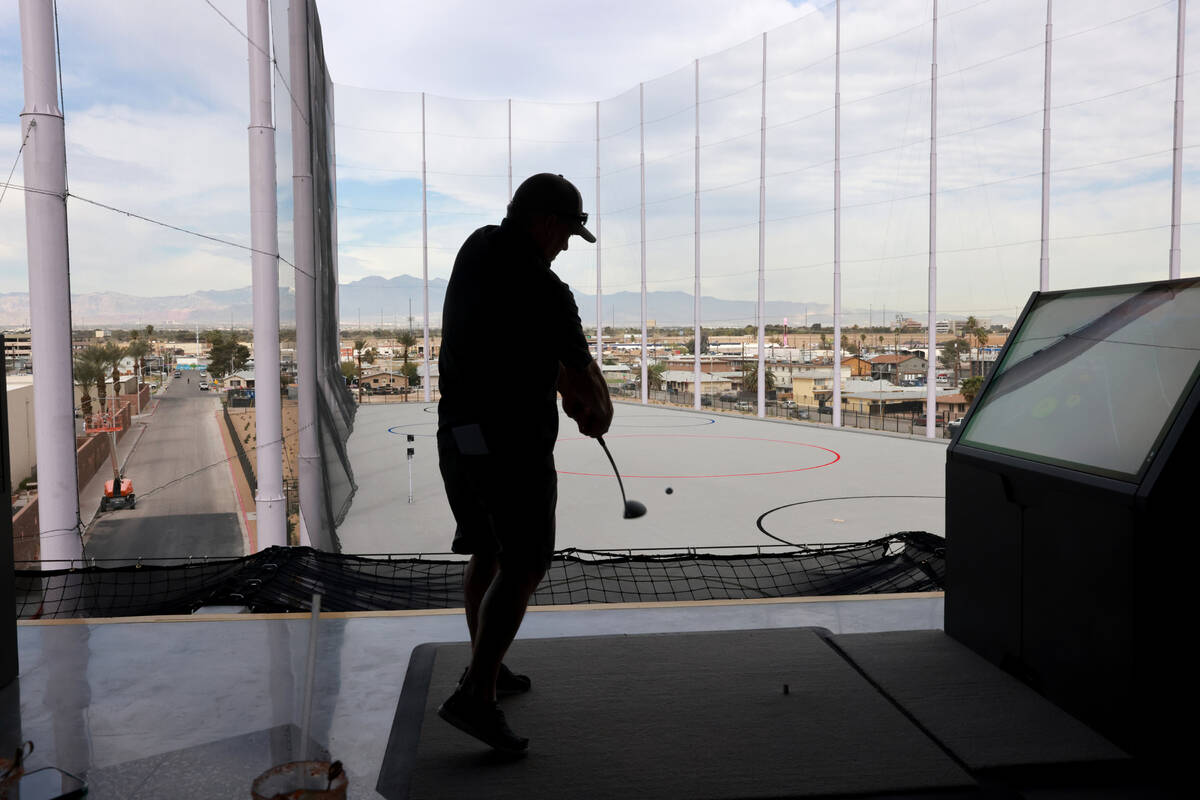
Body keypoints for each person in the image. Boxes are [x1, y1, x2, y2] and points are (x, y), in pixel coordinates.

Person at [435, 173, 613, 753]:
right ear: (544, 222)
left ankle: (486, 667)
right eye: (565, 232)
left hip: (461, 436)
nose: (565, 246)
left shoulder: (476, 248)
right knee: (526, 562)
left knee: (489, 550)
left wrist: (559, 382)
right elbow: (588, 383)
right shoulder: (547, 290)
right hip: (512, 446)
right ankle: (477, 696)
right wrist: (593, 411)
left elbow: (510, 342)